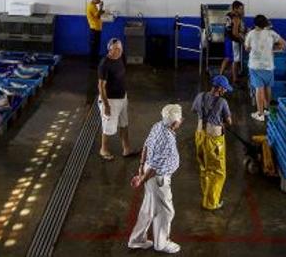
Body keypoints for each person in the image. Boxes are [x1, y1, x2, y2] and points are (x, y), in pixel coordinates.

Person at [128, 104, 184, 254]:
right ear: (174, 123)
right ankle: (161, 243)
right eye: (179, 119)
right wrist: (142, 178)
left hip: (148, 172)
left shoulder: (158, 125)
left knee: (148, 210)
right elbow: (154, 166)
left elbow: (146, 146)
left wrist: (141, 168)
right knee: (166, 212)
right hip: (158, 179)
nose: (181, 120)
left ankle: (136, 240)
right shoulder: (167, 139)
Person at [192, 75, 232, 211]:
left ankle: (206, 194)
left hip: (199, 135)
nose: (225, 91)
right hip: (214, 140)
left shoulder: (200, 96)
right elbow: (229, 121)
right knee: (217, 171)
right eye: (225, 89)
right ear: (220, 89)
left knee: (204, 167)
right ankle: (211, 202)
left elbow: (194, 111)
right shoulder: (222, 102)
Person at [244, 14, 286, 122]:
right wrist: (273, 49)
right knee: (267, 87)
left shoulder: (251, 34)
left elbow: (247, 48)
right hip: (269, 66)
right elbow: (284, 44)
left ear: (255, 24)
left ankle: (260, 113)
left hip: (255, 66)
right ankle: (267, 109)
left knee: (259, 89)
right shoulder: (271, 33)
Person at [98, 38, 134, 160]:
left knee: (124, 124)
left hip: (122, 97)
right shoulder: (104, 64)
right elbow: (101, 87)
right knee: (108, 128)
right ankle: (103, 149)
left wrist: (124, 95)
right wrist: (106, 106)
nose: (119, 51)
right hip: (110, 100)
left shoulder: (121, 57)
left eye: (120, 48)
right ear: (109, 50)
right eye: (116, 49)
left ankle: (126, 149)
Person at [219, 0, 245, 86]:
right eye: (241, 9)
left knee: (227, 58)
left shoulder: (228, 15)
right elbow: (235, 33)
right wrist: (242, 39)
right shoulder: (236, 17)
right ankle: (235, 79)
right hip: (233, 41)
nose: (242, 10)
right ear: (235, 8)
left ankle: (220, 76)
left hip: (227, 39)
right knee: (235, 60)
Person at [86, 0, 105, 65]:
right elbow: (97, 16)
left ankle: (95, 62)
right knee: (94, 48)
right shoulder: (91, 6)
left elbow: (97, 15)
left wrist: (101, 11)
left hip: (96, 29)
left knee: (96, 47)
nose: (99, 0)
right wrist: (101, 7)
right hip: (94, 30)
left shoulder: (93, 5)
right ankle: (93, 64)